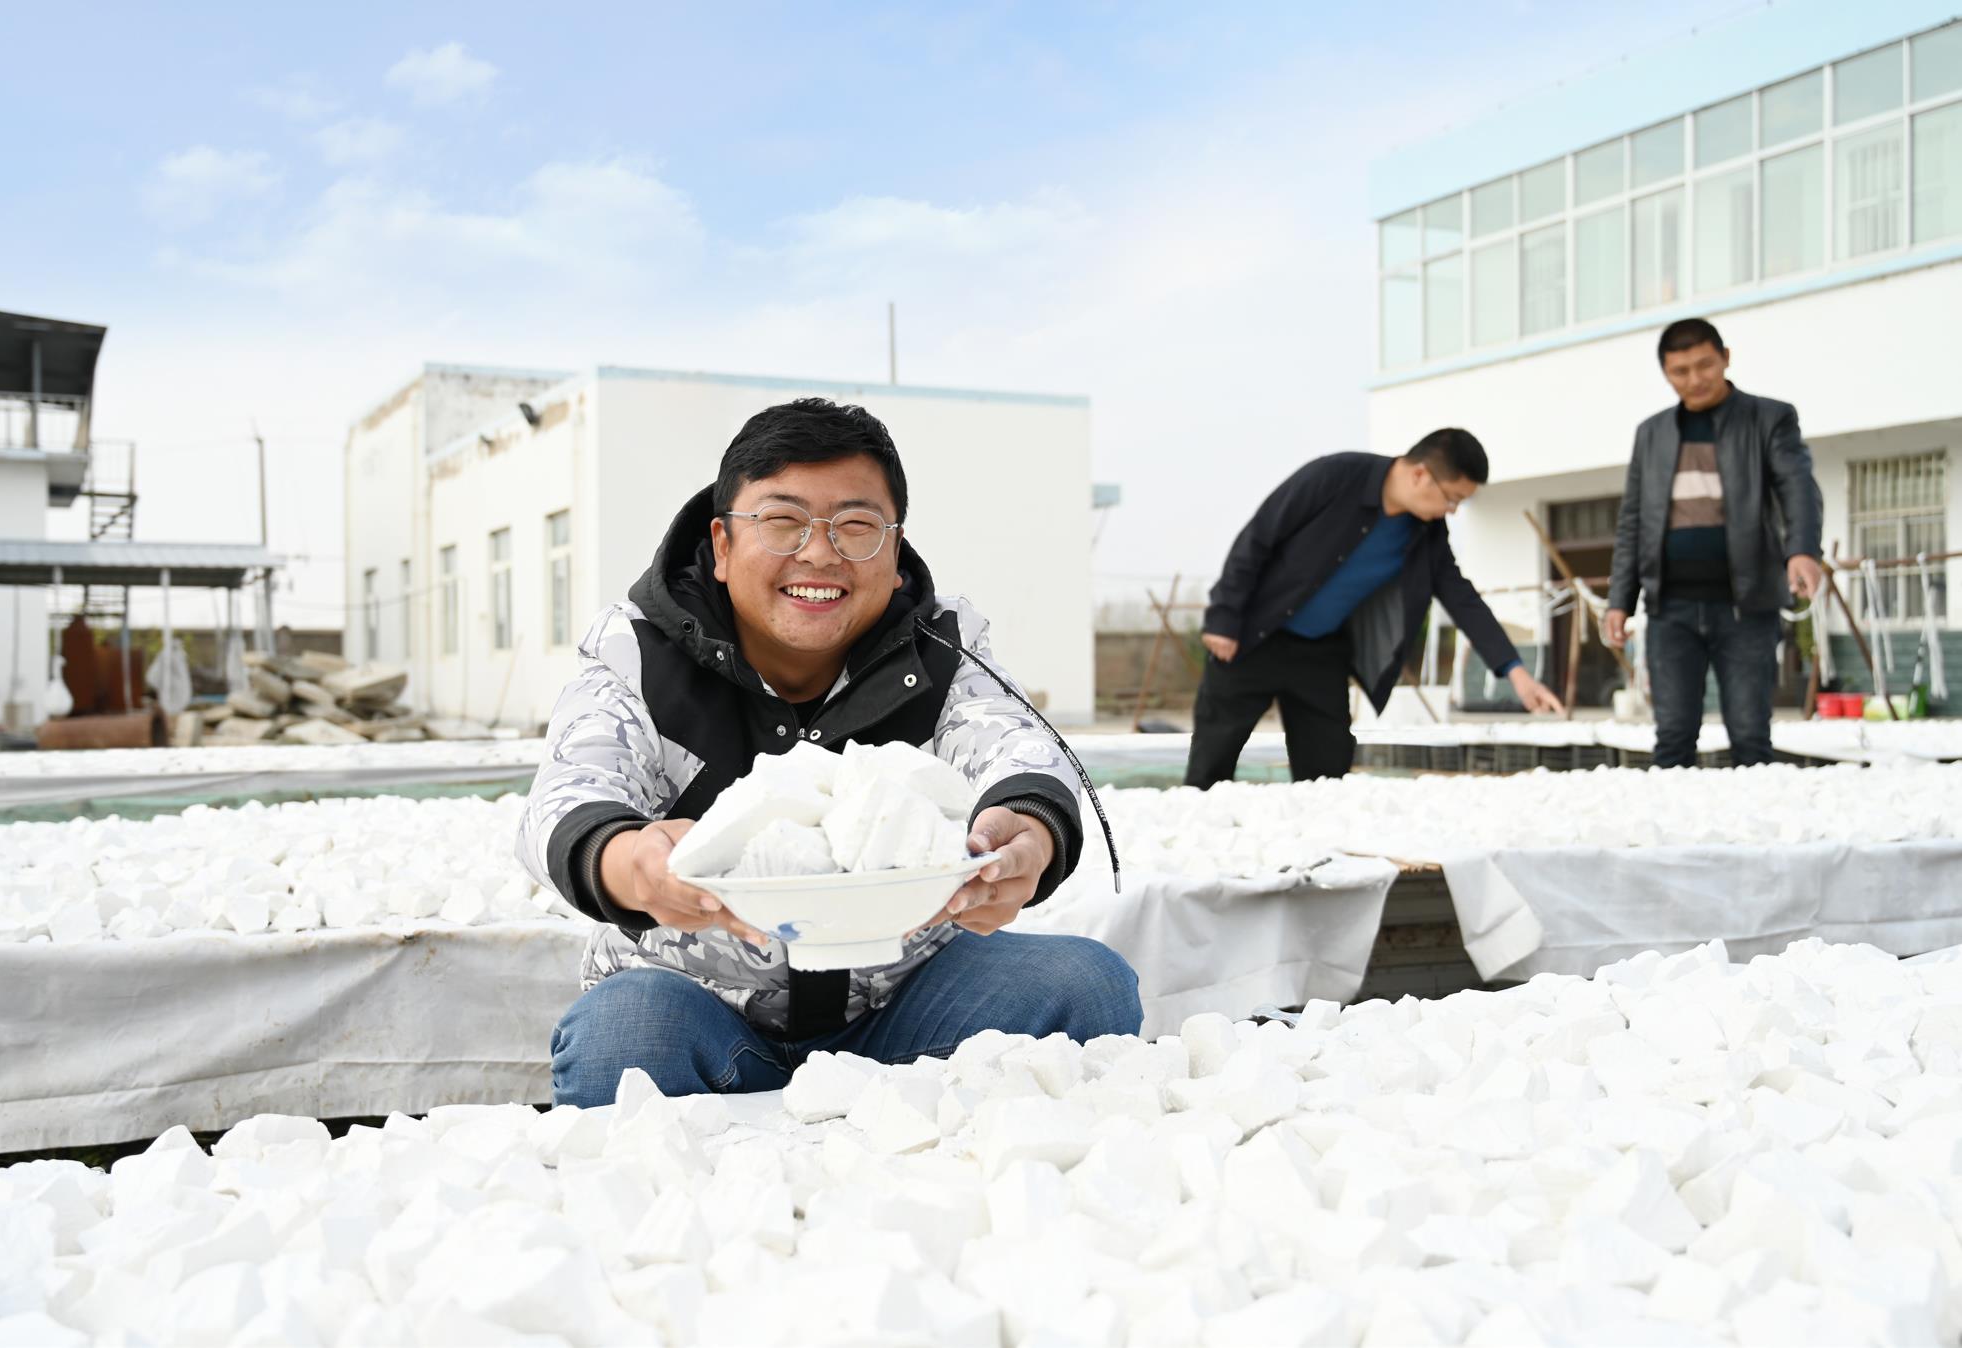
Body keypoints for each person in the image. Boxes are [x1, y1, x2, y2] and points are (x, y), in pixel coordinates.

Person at [517, 397, 1141, 1106]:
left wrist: (1025, 833)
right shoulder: (639, 653)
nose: (819, 553)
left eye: (856, 526)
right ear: (722, 547)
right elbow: (567, 794)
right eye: (782, 522)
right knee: (623, 1038)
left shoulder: (939, 648)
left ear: (896, 552)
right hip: (700, 1010)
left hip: (904, 1003)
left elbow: (1013, 745)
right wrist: (635, 865)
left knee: (1087, 986)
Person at [1186, 430, 1564, 788]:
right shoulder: (1334, 476)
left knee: (1328, 774)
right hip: (1253, 638)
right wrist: (1224, 617)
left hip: (1321, 654)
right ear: (1420, 475)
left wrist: (1516, 673)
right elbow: (1259, 537)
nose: (1452, 511)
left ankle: (1322, 853)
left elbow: (1460, 597)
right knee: (1211, 765)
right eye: (1452, 499)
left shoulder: (1426, 532)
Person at [1605, 318, 1823, 768]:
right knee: (1672, 738)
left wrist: (1802, 549)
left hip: (1746, 606)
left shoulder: (1770, 418)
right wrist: (1619, 600)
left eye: (1704, 365)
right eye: (1679, 371)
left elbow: (1797, 486)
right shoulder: (1652, 433)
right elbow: (1633, 521)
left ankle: (1755, 834)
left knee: (1749, 735)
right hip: (1670, 610)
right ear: (1666, 373)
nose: (1694, 379)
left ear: (1726, 357)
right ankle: (1674, 835)